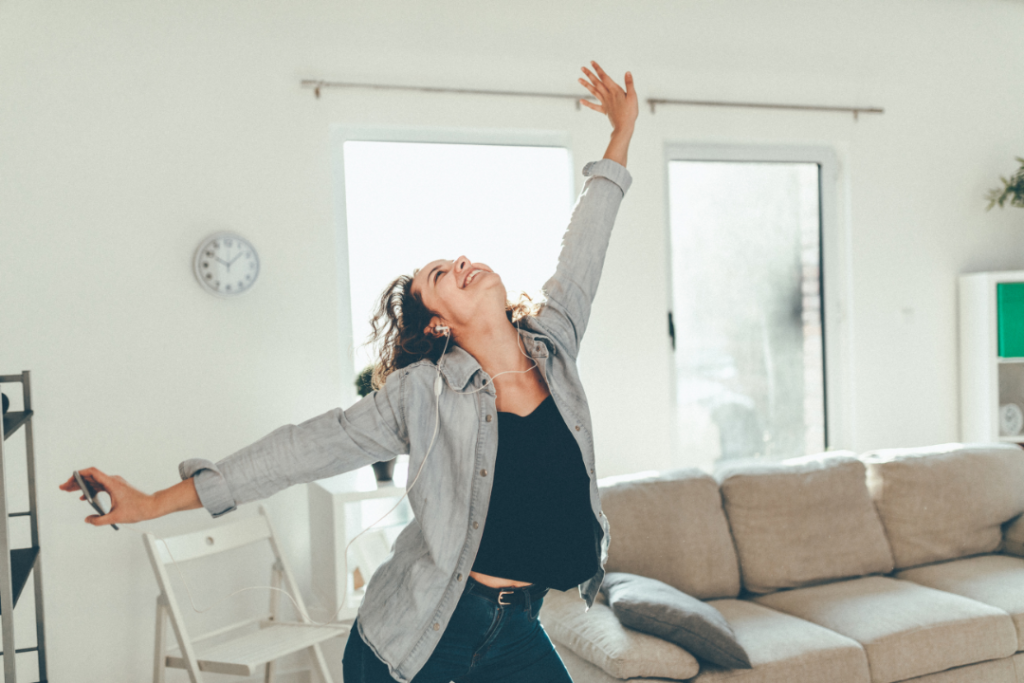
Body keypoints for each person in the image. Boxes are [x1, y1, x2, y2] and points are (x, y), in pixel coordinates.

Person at [61, 60, 637, 683]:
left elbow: (585, 246)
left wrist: (621, 134)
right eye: (441, 274)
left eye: (456, 258)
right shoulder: (423, 393)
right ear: (439, 324)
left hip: (519, 628)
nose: (462, 262)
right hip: (417, 635)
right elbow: (298, 451)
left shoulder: (554, 347)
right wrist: (151, 502)